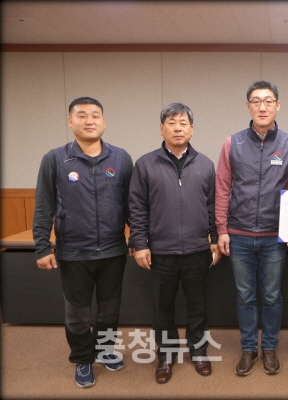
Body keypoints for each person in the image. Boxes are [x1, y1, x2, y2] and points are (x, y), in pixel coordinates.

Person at [33, 97, 133, 388]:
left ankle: (103, 349)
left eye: (95, 115)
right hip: (73, 252)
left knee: (110, 310)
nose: (89, 120)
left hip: (113, 250)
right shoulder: (55, 159)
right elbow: (44, 206)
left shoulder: (120, 158)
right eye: (82, 115)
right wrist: (42, 246)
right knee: (77, 313)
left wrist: (138, 239)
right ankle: (82, 358)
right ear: (70, 121)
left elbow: (132, 205)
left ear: (103, 121)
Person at [128, 103, 220, 384]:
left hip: (197, 249)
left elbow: (212, 206)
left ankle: (199, 351)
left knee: (198, 306)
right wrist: (140, 243)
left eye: (183, 123)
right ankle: (166, 356)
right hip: (161, 251)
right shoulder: (145, 164)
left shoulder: (205, 164)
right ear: (161, 129)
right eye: (171, 123)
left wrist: (215, 239)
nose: (177, 128)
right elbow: (137, 207)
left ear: (192, 129)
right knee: (163, 308)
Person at [215, 81, 288, 376]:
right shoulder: (232, 143)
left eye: (268, 101)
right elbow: (223, 187)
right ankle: (249, 348)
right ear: (248, 106)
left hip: (273, 237)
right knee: (245, 296)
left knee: (273, 295)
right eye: (256, 101)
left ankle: (270, 348)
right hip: (238, 235)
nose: (262, 107)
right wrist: (222, 228)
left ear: (278, 105)